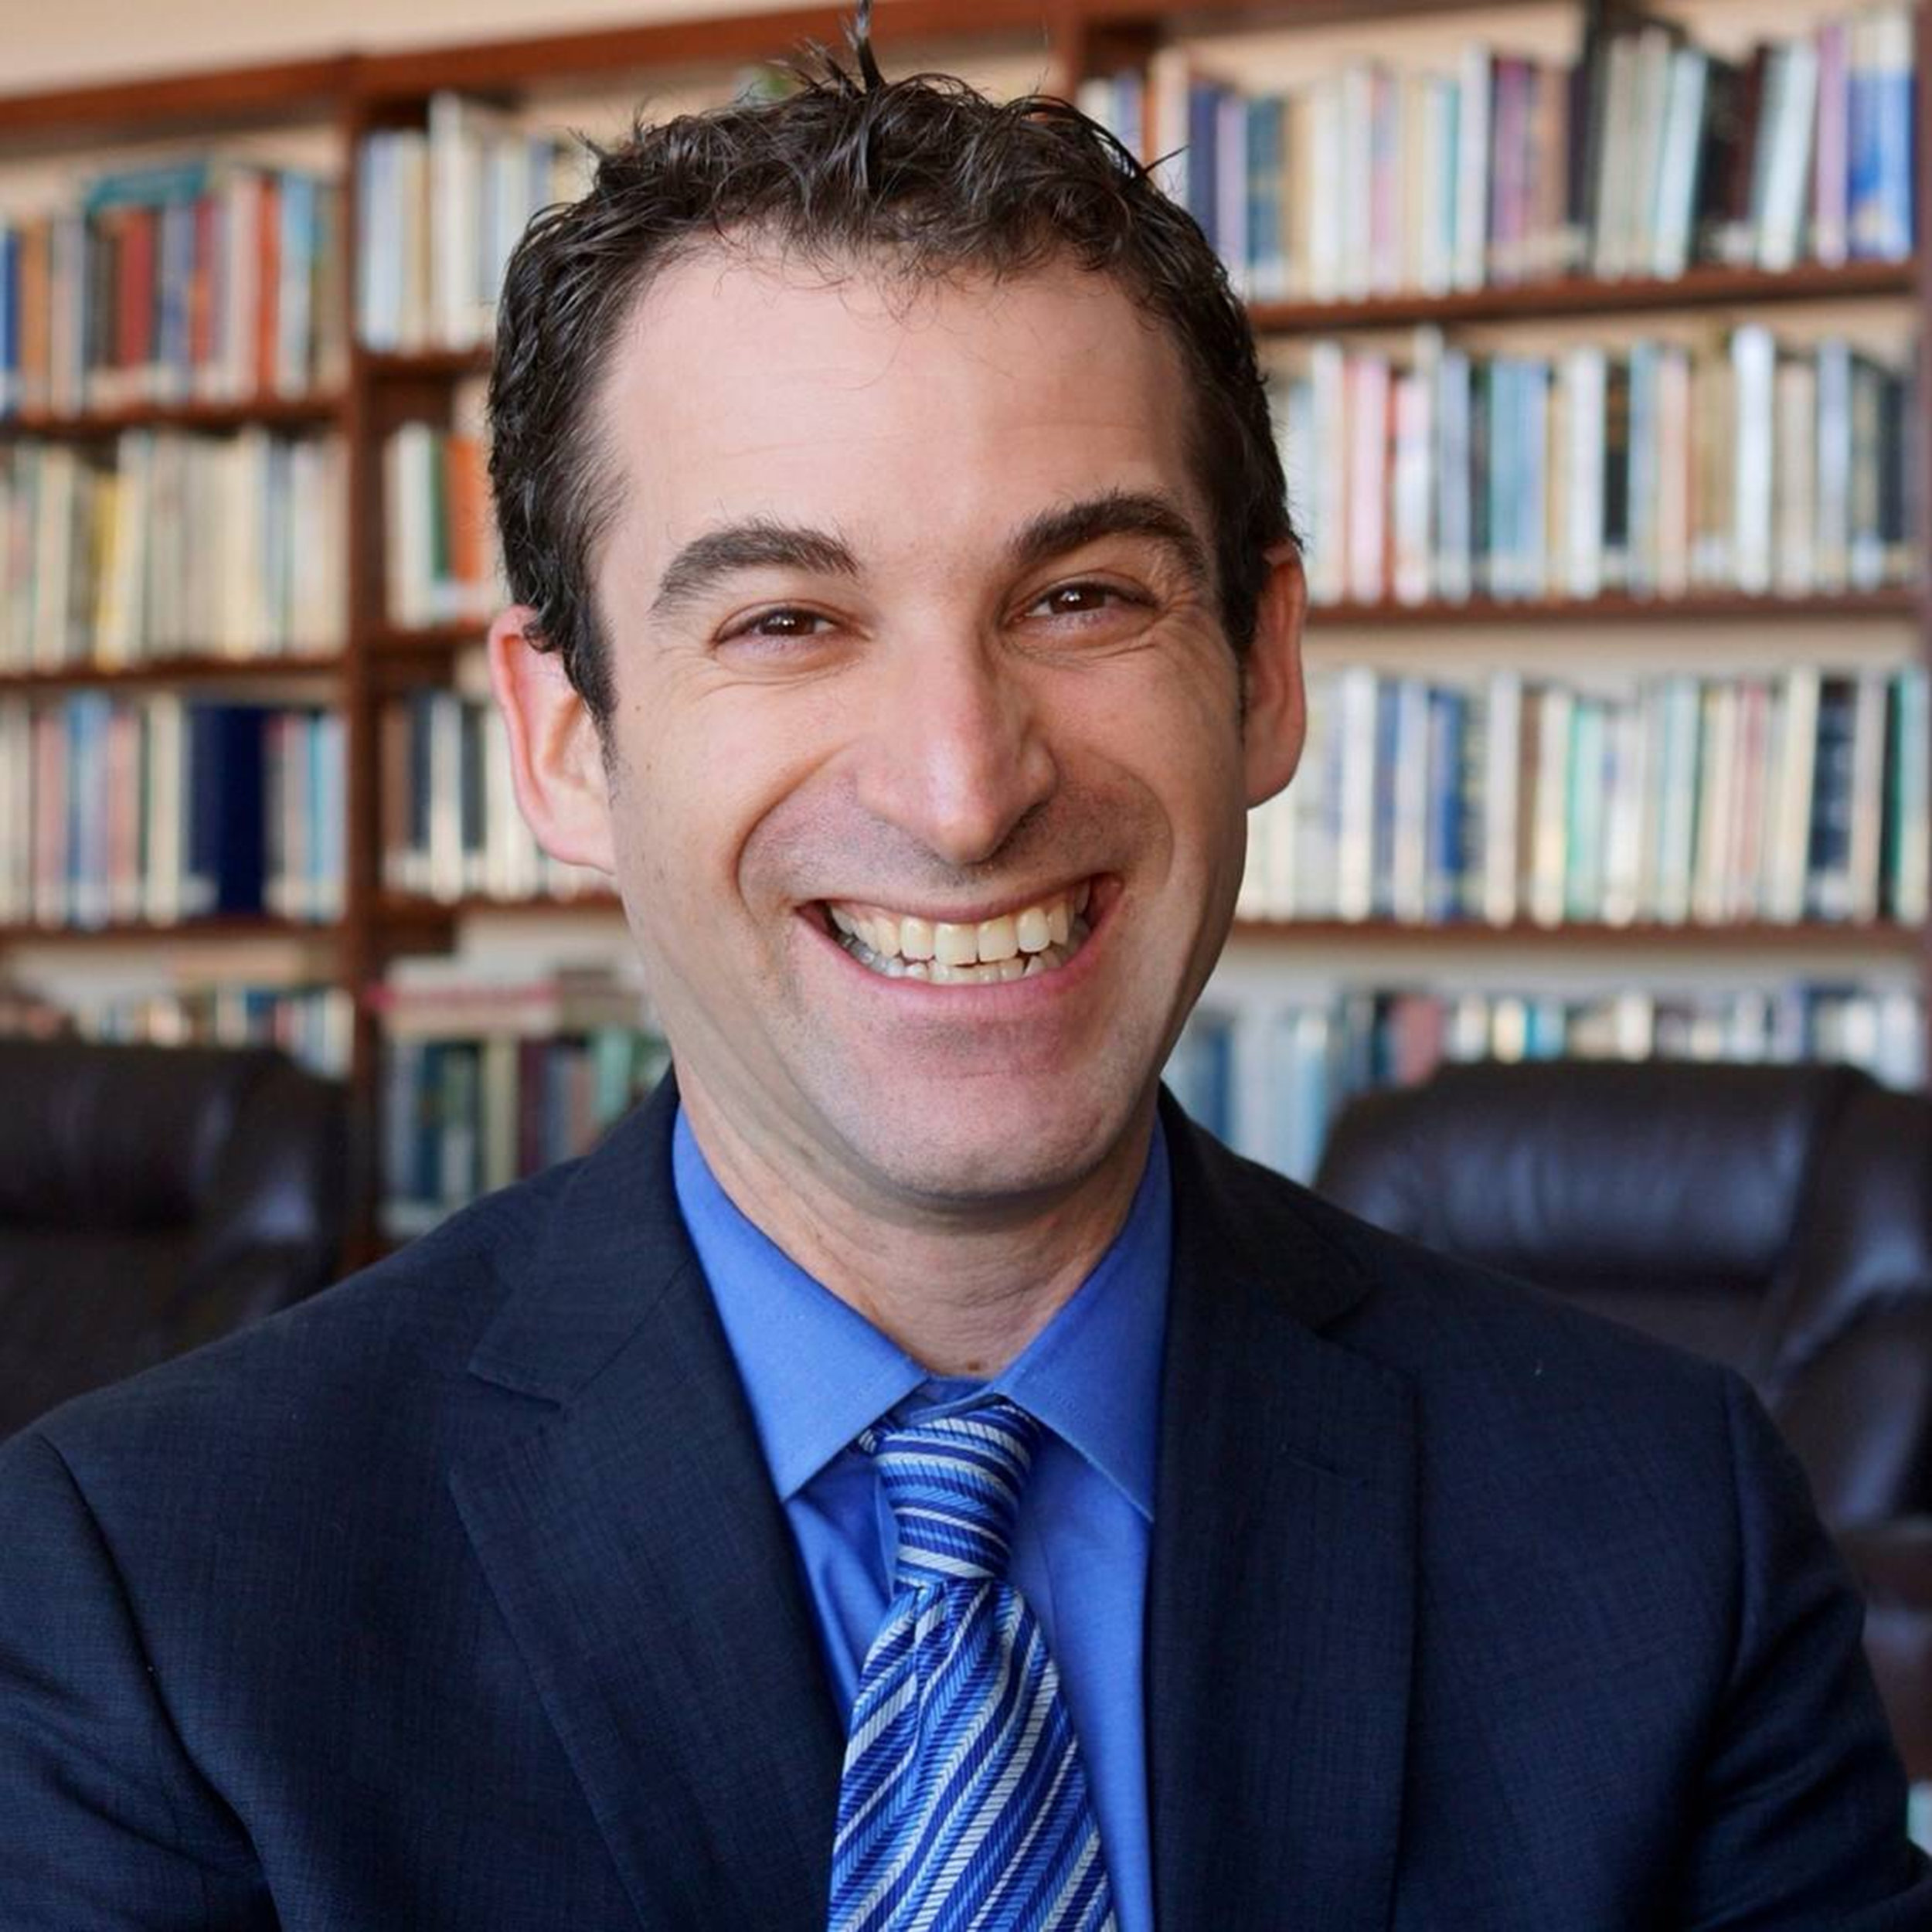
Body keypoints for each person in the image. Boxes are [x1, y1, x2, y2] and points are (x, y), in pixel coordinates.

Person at [1, 31, 1926, 1931]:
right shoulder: (155, 1591)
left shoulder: (1666, 1535)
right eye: (785, 620)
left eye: (1078, 594)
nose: (960, 785)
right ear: (568, 740)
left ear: (1260, 666)